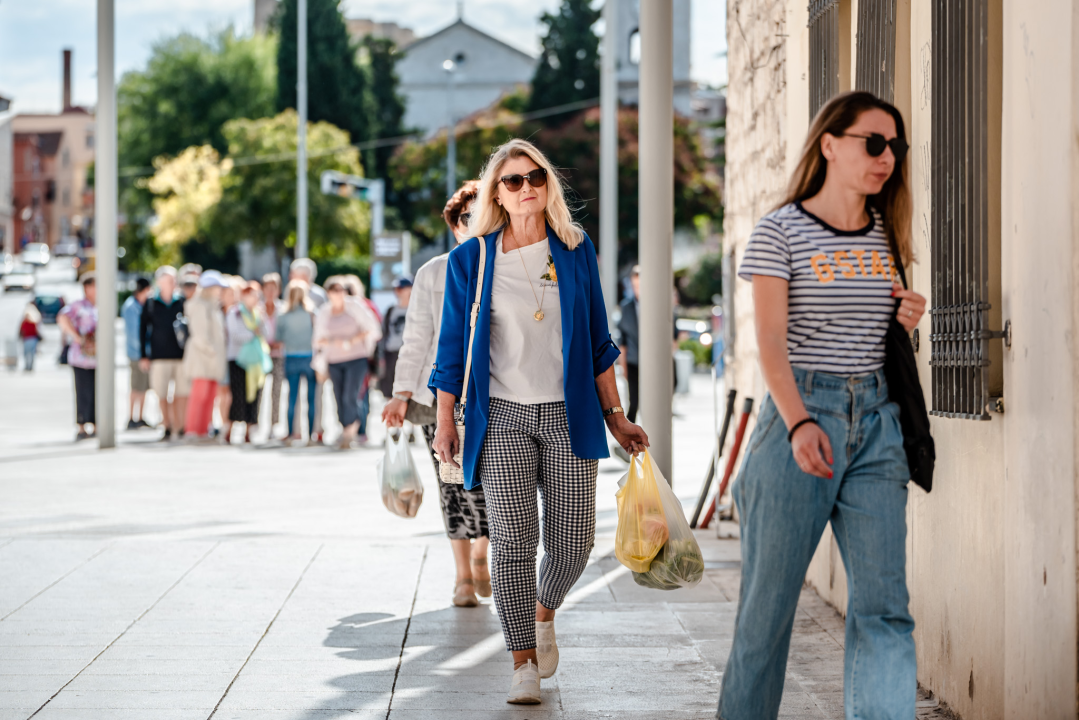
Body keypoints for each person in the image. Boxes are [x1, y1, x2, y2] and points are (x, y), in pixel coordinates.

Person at [717, 92, 926, 720]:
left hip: (877, 424)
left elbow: (873, 332)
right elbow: (770, 344)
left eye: (895, 146)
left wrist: (903, 317)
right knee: (766, 614)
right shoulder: (781, 230)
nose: (886, 157)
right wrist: (800, 422)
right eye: (874, 142)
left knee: (885, 611)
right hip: (801, 415)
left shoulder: (887, 230)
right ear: (829, 144)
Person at [429, 139, 649, 705]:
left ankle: (541, 612)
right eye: (513, 180)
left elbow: (599, 341)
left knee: (575, 542)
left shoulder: (574, 248)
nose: (526, 187)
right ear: (497, 194)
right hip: (501, 416)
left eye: (535, 177)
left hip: (568, 412)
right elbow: (451, 349)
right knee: (513, 541)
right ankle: (522, 661)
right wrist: (445, 421)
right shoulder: (471, 260)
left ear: (548, 184)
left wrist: (617, 416)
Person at [382, 179, 492, 609]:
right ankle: (463, 575)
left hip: (492, 397)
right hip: (436, 400)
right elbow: (416, 339)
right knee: (451, 487)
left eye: (481, 215)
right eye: (466, 217)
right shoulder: (433, 272)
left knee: (491, 486)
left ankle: (482, 553)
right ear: (454, 225)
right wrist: (400, 393)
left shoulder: (505, 263)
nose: (473, 223)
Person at [313, 277, 381, 450]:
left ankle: (350, 433)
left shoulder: (355, 306)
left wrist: (350, 341)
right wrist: (334, 343)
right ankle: (346, 429)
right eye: (334, 290)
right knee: (338, 396)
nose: (338, 293)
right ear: (328, 293)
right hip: (334, 360)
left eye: (341, 289)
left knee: (350, 395)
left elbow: (372, 329)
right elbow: (318, 339)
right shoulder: (324, 312)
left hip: (357, 358)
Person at [139, 266, 188, 440]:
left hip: (180, 355)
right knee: (161, 393)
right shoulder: (151, 302)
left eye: (174, 280)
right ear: (160, 282)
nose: (173, 283)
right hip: (159, 355)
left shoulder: (182, 301)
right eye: (169, 280)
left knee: (181, 392)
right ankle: (166, 425)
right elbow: (142, 330)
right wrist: (143, 355)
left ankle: (180, 426)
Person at [182, 271, 229, 440]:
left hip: (213, 360)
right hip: (202, 358)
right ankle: (192, 430)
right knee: (199, 395)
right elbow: (200, 335)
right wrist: (213, 352)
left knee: (210, 396)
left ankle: (202, 430)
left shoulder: (213, 305)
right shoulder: (199, 305)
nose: (221, 291)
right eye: (218, 287)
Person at [225, 281, 270, 444]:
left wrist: (262, 322)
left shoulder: (258, 314)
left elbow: (266, 333)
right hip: (237, 358)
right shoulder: (235, 312)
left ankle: (249, 431)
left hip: (255, 361)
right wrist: (252, 333)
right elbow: (235, 335)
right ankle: (229, 430)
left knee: (254, 396)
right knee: (238, 395)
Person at [57, 273, 98, 440]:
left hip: (98, 358)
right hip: (81, 357)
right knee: (83, 391)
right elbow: (62, 317)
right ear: (87, 288)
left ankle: (96, 424)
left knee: (97, 392)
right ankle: (81, 425)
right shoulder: (79, 306)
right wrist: (77, 337)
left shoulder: (101, 305)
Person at [277, 280, 317, 444]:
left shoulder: (283, 315)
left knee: (292, 398)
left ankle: (290, 433)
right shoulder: (312, 314)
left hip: (291, 356)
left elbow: (279, 338)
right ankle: (311, 435)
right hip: (309, 357)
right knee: (311, 399)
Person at [121, 278, 152, 429]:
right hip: (136, 354)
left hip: (144, 353)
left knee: (144, 387)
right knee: (135, 386)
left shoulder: (142, 305)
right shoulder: (130, 307)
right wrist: (143, 354)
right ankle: (131, 417)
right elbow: (134, 333)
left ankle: (140, 417)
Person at [378, 276, 412, 400]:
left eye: (401, 288)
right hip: (391, 353)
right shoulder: (390, 310)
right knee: (389, 388)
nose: (398, 291)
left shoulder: (416, 309)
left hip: (409, 353)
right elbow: (383, 333)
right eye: (396, 288)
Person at [261, 272, 285, 437]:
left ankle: (273, 424)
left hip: (278, 354)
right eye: (267, 288)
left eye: (273, 288)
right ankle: (255, 424)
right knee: (258, 391)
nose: (270, 292)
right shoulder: (257, 308)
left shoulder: (283, 309)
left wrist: (280, 343)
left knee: (276, 391)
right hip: (261, 354)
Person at [616, 265, 641, 422]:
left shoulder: (657, 306)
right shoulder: (626, 307)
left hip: (654, 363)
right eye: (635, 285)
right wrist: (623, 365)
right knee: (634, 402)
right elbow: (623, 339)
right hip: (633, 362)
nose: (638, 289)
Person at [18, 303, 42, 372]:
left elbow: (21, 330)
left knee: (27, 353)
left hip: (28, 339)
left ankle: (28, 366)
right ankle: (29, 366)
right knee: (30, 353)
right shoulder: (33, 322)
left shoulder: (27, 322)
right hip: (31, 339)